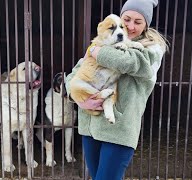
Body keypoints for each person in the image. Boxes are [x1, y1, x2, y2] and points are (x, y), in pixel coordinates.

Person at [65, 0, 169, 179]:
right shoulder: (102, 42)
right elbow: (74, 74)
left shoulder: (152, 49)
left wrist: (97, 52)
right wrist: (79, 98)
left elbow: (130, 62)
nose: (129, 27)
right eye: (126, 19)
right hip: (91, 126)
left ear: (146, 25)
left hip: (119, 130)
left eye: (138, 22)